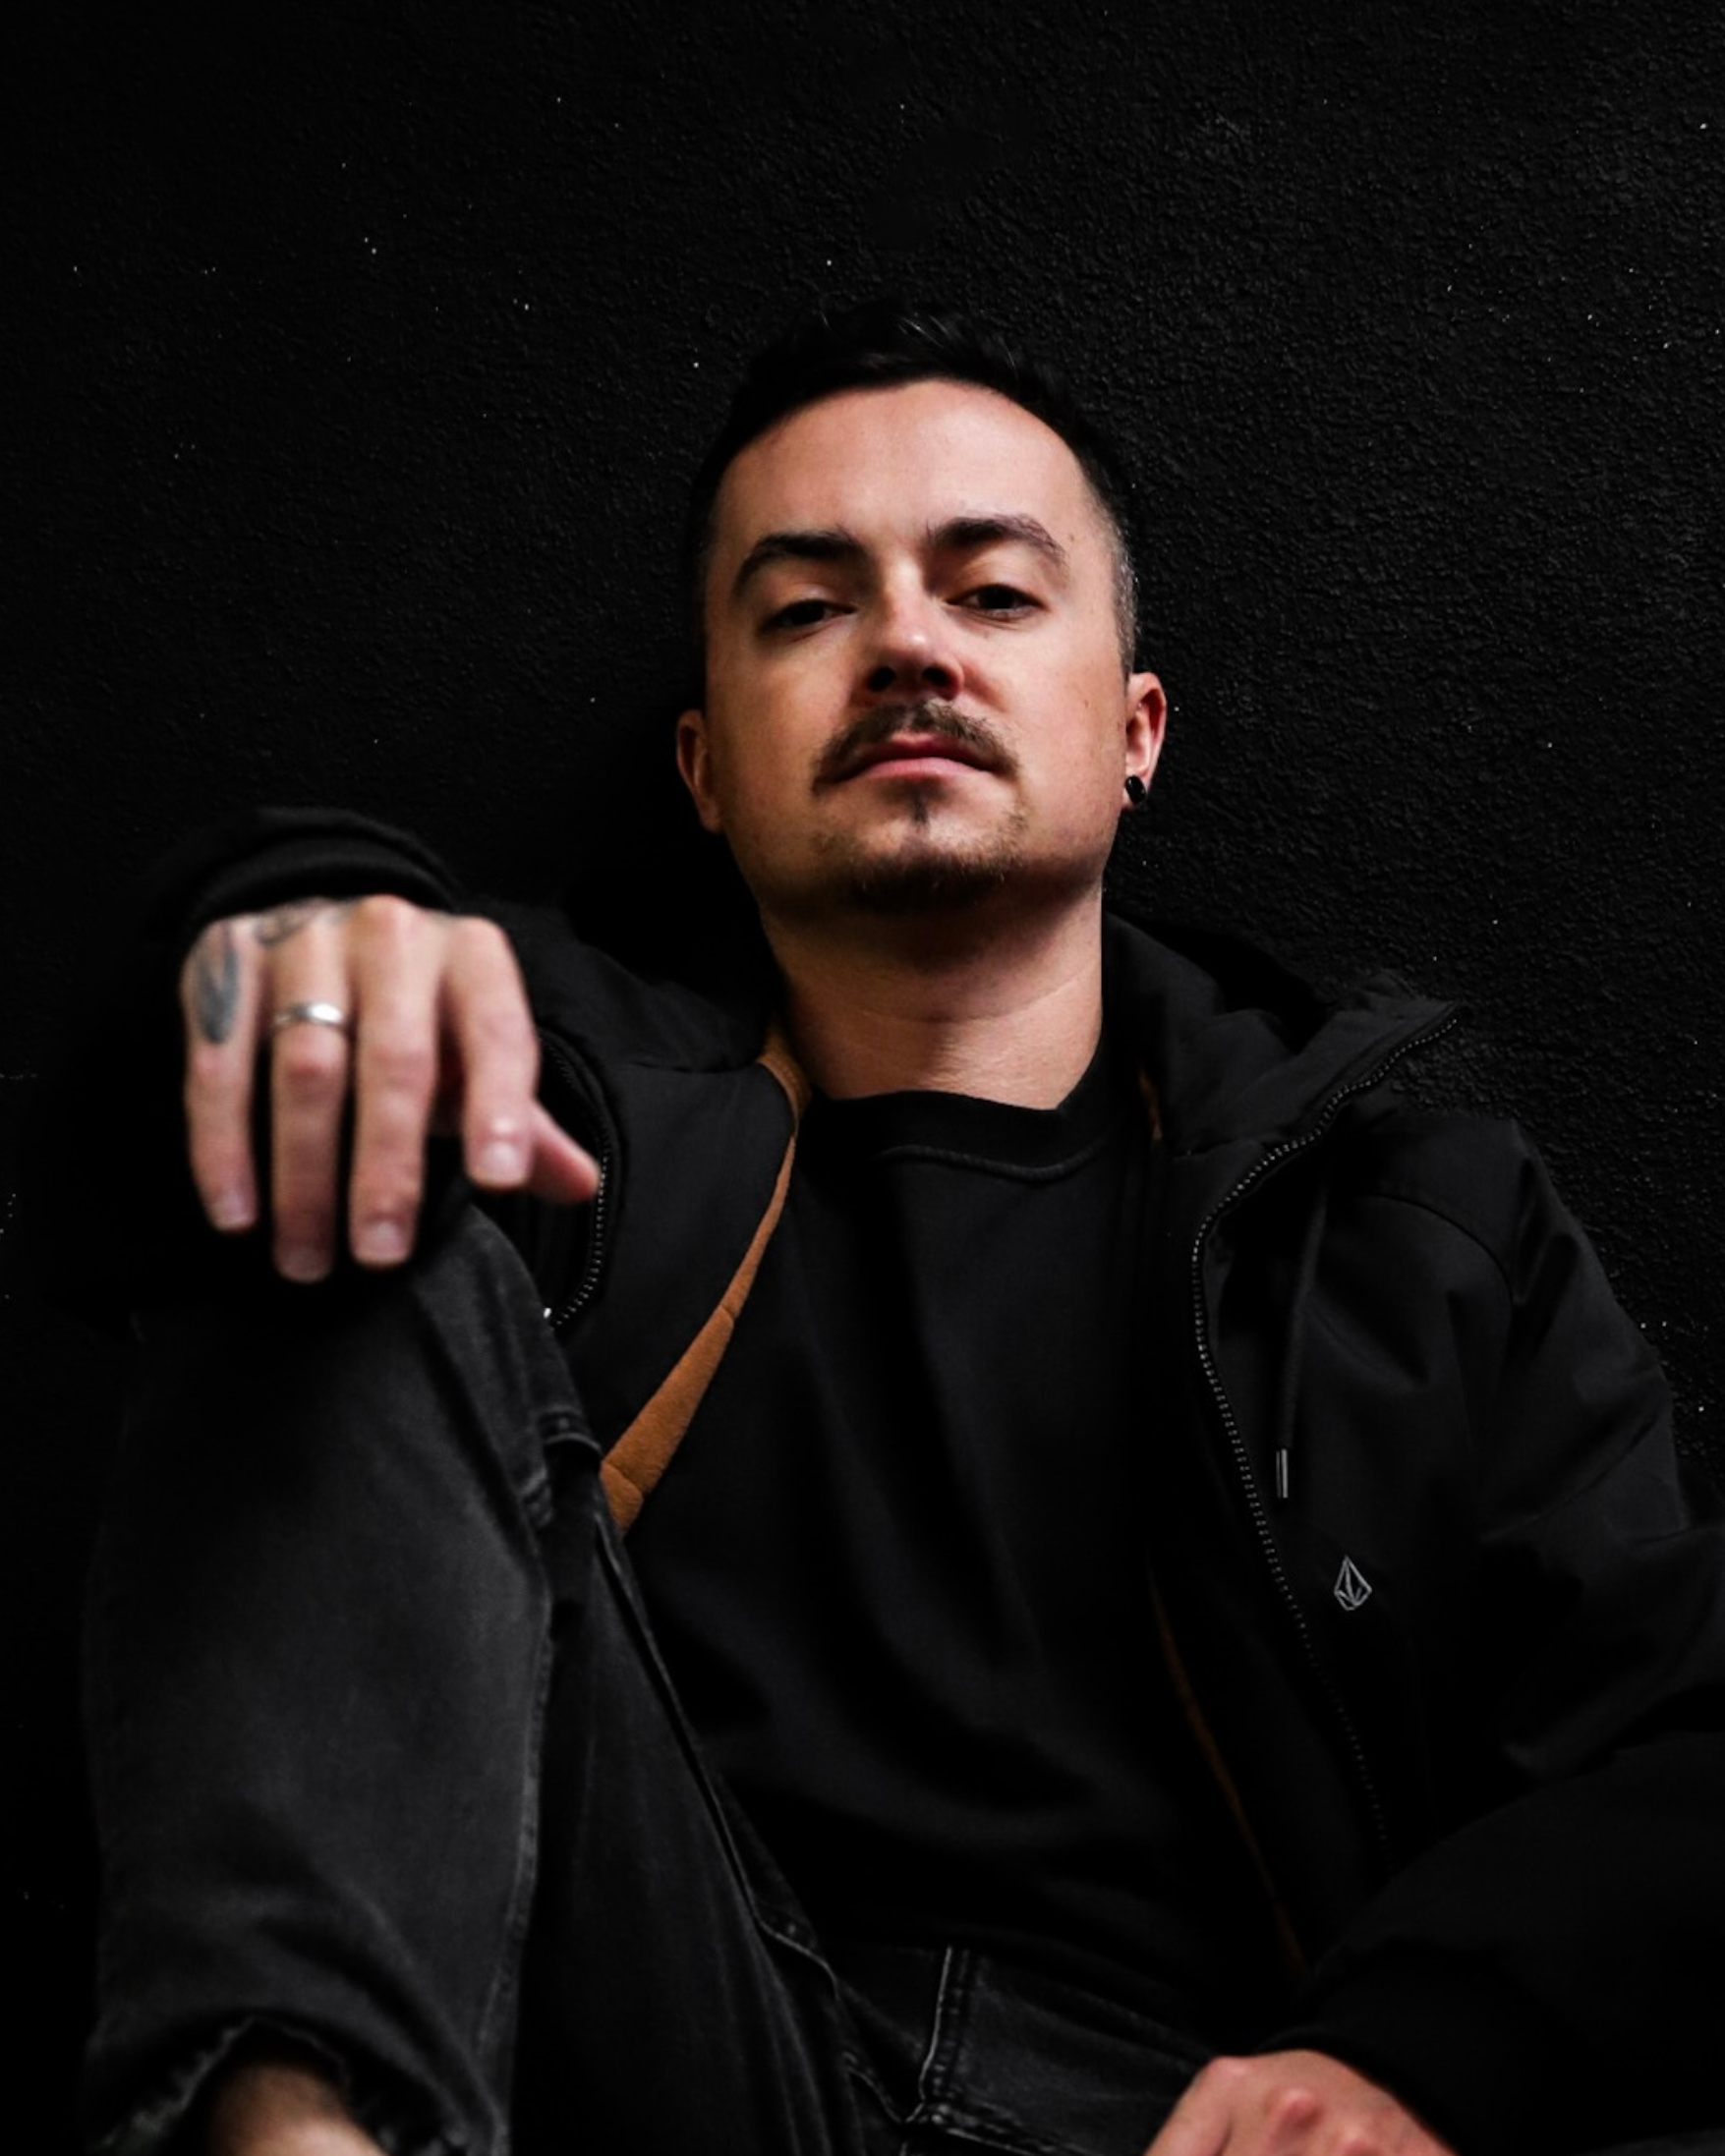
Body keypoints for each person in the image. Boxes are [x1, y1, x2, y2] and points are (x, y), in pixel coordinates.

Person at [61, 304, 1725, 2156]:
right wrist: (294, 927)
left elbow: (1689, 1730)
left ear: (1134, 733)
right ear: (704, 765)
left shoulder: (1407, 1223)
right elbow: (133, 1175)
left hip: (1191, 2116)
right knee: (349, 1160)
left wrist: (1419, 2047)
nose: (909, 645)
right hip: (655, 2058)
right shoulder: (534, 1093)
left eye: (993, 593)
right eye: (805, 609)